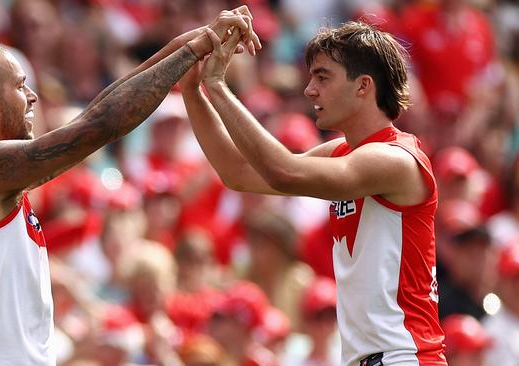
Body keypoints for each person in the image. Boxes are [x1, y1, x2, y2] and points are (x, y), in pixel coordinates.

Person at [0, 6, 261, 365]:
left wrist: (188, 43)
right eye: (22, 86)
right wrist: (192, 52)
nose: (33, 97)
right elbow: (98, 126)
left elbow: (92, 115)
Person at [181, 22, 446, 365]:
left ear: (363, 86)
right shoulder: (343, 153)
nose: (310, 90)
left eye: (323, 77)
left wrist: (217, 86)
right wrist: (193, 90)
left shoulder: (394, 159)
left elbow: (283, 172)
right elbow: (239, 174)